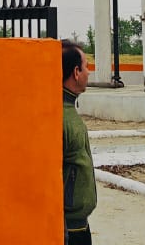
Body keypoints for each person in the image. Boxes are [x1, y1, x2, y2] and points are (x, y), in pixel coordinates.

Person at [62, 39, 96, 245]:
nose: (89, 72)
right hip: (69, 229)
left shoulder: (67, 110)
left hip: (77, 224)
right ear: (76, 72)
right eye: (86, 66)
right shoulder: (62, 117)